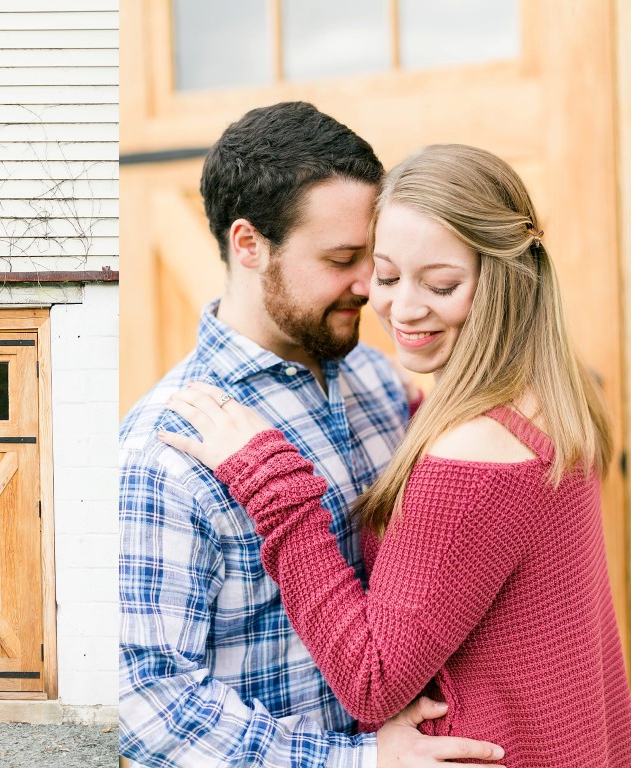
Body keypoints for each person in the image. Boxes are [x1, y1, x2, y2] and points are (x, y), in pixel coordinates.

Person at [162, 144, 631, 767]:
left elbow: (374, 677)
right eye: (385, 276)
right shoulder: (554, 397)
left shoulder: (473, 454)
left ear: (505, 280)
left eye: (440, 285)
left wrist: (273, 486)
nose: (402, 309)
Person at [120, 103, 505, 767]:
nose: (372, 287)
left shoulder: (381, 382)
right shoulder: (167, 451)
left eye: (374, 258)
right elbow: (150, 705)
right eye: (341, 259)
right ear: (249, 246)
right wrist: (354, 761)